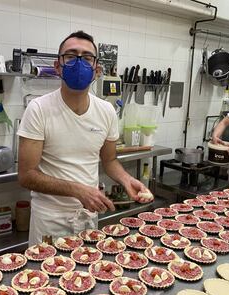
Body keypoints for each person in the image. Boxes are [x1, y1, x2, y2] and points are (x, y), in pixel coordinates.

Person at [17, 31, 152, 245]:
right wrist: (78, 190)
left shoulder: (106, 110)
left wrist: (128, 180)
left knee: (85, 276)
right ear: (58, 66)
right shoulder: (38, 109)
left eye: (87, 57)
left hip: (89, 214)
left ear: (96, 70)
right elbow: (26, 175)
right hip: (50, 219)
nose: (79, 63)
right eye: (71, 56)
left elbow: (109, 161)